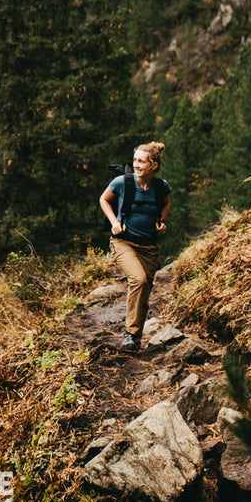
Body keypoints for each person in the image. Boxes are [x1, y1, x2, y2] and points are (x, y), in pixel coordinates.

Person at [98, 141, 171, 351]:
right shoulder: (122, 183)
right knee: (138, 279)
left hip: (149, 246)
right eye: (135, 161)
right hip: (123, 242)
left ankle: (134, 340)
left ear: (153, 165)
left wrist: (161, 221)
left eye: (141, 161)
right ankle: (129, 333)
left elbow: (166, 203)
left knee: (145, 288)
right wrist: (114, 222)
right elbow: (104, 200)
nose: (136, 165)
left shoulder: (161, 187)